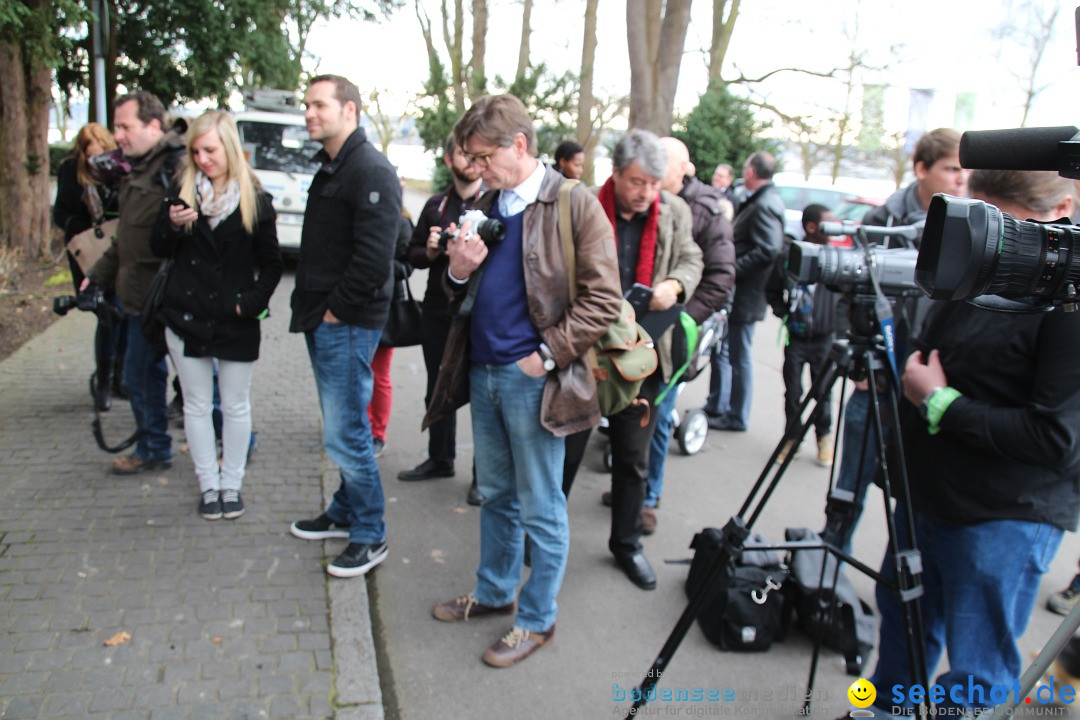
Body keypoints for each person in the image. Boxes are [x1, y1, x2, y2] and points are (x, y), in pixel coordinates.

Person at [853, 168, 1080, 719]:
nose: (995, 241)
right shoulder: (984, 264)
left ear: (1062, 212)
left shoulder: (1069, 303)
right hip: (927, 492)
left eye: (1010, 225)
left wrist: (939, 403)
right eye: (985, 220)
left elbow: (1057, 438)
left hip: (1002, 516)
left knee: (975, 674)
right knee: (903, 631)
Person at [425, 94, 621, 667]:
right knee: (497, 496)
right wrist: (458, 269)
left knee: (541, 506)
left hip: (535, 379)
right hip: (483, 372)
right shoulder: (489, 201)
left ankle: (537, 621)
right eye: (471, 159)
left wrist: (548, 354)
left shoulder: (574, 202)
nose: (475, 169)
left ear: (519, 144)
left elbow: (604, 297)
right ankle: (492, 593)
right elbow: (458, 291)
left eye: (484, 156)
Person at [564, 129, 703, 587]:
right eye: (637, 182)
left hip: (643, 359)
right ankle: (545, 537)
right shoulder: (582, 205)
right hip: (584, 354)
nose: (646, 193)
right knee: (564, 454)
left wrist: (675, 285)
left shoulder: (674, 211)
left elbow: (692, 259)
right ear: (616, 174)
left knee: (633, 459)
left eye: (653, 183)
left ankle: (627, 545)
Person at [828, 128, 967, 554]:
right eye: (952, 169)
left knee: (914, 493)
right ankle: (830, 563)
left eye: (966, 171)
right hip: (879, 376)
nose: (961, 180)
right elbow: (845, 291)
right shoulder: (883, 220)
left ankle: (906, 587)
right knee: (851, 479)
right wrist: (859, 365)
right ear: (921, 169)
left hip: (930, 379)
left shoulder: (968, 226)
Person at [287, 75, 402, 578]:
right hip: (324, 317)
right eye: (306, 105)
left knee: (348, 433)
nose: (309, 113)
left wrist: (337, 311)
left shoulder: (371, 169)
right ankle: (343, 511)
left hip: (346, 321)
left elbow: (375, 259)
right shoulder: (336, 166)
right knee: (342, 428)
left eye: (319, 105)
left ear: (349, 110)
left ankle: (370, 533)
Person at [154, 110, 283, 520]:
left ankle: (232, 485)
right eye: (196, 151)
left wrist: (252, 302)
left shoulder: (255, 199)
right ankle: (208, 485)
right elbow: (157, 248)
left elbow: (273, 263)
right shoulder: (183, 192)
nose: (203, 158)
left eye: (209, 149)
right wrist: (173, 225)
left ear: (229, 148)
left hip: (234, 318)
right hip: (186, 316)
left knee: (235, 405)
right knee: (195, 405)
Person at [630, 136, 733, 533]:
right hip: (637, 330)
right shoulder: (645, 202)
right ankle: (632, 487)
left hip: (675, 333)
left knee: (656, 415)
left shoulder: (705, 210)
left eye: (662, 163)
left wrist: (680, 315)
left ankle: (648, 498)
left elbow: (721, 276)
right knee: (634, 414)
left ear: (684, 167)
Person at [86, 91, 186, 475]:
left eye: (125, 126)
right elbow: (124, 238)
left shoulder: (176, 166)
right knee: (141, 375)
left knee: (197, 381)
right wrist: (97, 277)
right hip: (137, 297)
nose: (119, 136)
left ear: (153, 126)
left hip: (169, 299)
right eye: (117, 127)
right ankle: (154, 448)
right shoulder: (139, 168)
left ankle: (237, 441)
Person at [397, 131, 484, 505]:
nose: (469, 161)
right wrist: (431, 250)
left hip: (480, 312)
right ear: (449, 160)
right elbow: (410, 254)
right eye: (461, 154)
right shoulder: (435, 205)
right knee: (437, 387)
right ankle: (440, 458)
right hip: (436, 309)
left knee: (482, 393)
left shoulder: (494, 205)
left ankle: (484, 475)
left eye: (474, 155)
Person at [704, 150, 784, 433]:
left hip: (747, 295)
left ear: (751, 172)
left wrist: (733, 267)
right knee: (731, 352)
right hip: (745, 293)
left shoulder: (764, 204)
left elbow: (769, 249)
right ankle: (723, 407)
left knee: (739, 355)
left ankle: (736, 415)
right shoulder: (762, 200)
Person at [53, 122, 125, 412]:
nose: (96, 161)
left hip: (119, 249)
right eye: (90, 155)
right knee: (106, 313)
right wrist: (86, 231)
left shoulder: (119, 169)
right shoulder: (70, 171)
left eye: (101, 154)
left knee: (122, 312)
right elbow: (61, 213)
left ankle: (119, 376)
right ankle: (105, 382)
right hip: (89, 254)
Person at [765, 204, 838, 465]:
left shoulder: (835, 258)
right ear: (811, 227)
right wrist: (784, 312)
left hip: (824, 340)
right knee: (793, 391)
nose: (835, 229)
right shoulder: (789, 257)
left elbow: (845, 299)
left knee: (823, 392)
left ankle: (824, 437)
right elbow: (771, 290)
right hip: (796, 338)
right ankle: (792, 439)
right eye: (829, 224)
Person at [369, 209, 415, 459]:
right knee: (356, 373)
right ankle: (360, 428)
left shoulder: (401, 221)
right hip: (354, 305)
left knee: (378, 374)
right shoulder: (361, 214)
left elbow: (407, 267)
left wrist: (375, 260)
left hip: (386, 308)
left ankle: (377, 434)